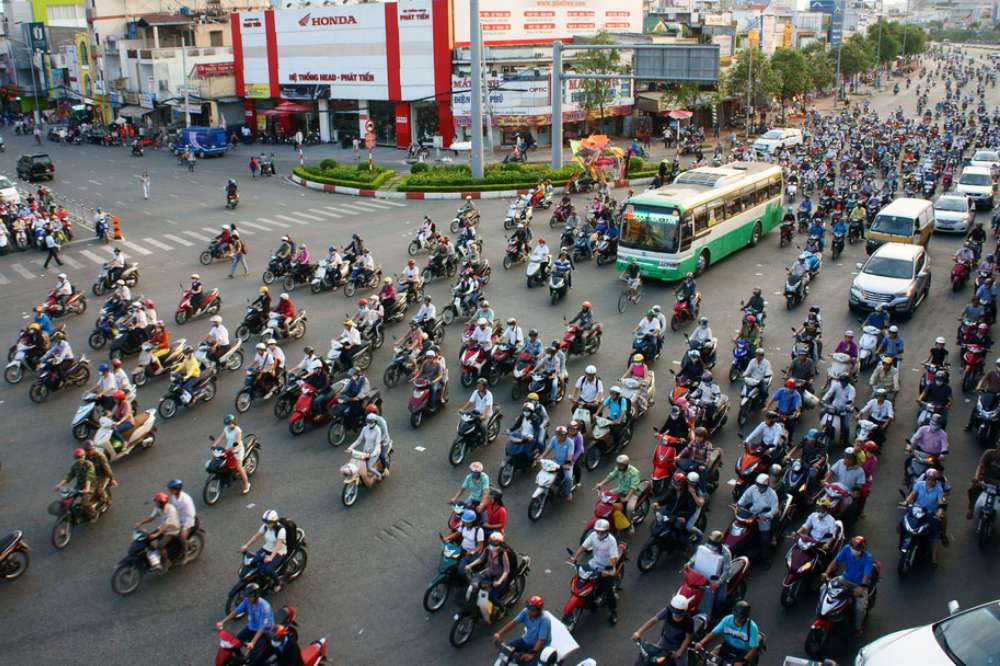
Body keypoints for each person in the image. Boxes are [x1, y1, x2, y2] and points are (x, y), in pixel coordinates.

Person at [821, 536, 875, 637]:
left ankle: (858, 628)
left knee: (859, 608)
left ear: (862, 548)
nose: (854, 550)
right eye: (853, 547)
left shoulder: (868, 557)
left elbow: (866, 576)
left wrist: (861, 588)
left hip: (859, 585)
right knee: (824, 588)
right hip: (844, 579)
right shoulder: (846, 548)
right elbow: (835, 561)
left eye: (857, 548)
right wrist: (826, 573)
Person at [569, 518, 620, 625]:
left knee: (608, 591)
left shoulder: (611, 541)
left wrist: (607, 570)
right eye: (597, 531)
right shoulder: (593, 536)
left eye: (601, 531)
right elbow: (583, 547)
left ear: (606, 531)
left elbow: (613, 559)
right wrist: (575, 557)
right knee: (583, 581)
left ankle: (613, 612)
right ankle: (590, 602)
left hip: (607, 568)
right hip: (595, 563)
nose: (598, 533)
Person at [215, 583, 275, 665]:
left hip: (264, 632)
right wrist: (223, 621)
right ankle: (242, 659)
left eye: (249, 597)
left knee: (254, 656)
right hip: (251, 627)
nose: (247, 598)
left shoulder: (264, 607)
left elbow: (262, 628)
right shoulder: (247, 601)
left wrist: (252, 643)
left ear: (256, 596)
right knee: (234, 643)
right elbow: (236, 611)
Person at [632, 595, 695, 665]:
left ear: (684, 611)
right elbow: (653, 620)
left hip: (679, 645)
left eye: (678, 612)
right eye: (673, 611)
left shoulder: (689, 621)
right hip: (665, 641)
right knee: (652, 658)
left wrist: (680, 651)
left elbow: (688, 638)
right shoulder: (667, 611)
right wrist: (639, 632)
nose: (674, 614)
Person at [904, 468, 949, 562]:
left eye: (933, 480)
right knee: (904, 522)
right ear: (926, 478)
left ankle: (934, 557)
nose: (930, 481)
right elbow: (912, 494)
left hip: (930, 513)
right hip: (917, 510)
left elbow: (941, 502)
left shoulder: (939, 489)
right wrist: (907, 501)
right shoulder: (919, 485)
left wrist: (940, 511)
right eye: (928, 479)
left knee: (934, 532)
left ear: (936, 481)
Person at [695, 600, 761, 665]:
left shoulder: (752, 627)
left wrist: (744, 661)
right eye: (737, 617)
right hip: (727, 647)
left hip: (742, 653)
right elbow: (713, 633)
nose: (739, 620)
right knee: (708, 660)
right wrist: (701, 643)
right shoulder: (727, 620)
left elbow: (754, 648)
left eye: (742, 618)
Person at [492, 595, 552, 662]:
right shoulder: (525, 611)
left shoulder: (544, 620)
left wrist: (532, 654)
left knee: (527, 662)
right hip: (526, 640)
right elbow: (513, 623)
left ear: (539, 610)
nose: (529, 611)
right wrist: (499, 633)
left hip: (539, 647)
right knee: (505, 651)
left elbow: (541, 640)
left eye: (532, 610)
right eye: (528, 608)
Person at [241, 510, 288, 591]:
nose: (266, 523)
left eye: (268, 522)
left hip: (279, 551)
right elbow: (256, 536)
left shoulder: (281, 530)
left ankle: (278, 583)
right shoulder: (266, 526)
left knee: (268, 569)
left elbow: (278, 545)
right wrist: (246, 545)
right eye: (265, 521)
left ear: (274, 522)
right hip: (267, 548)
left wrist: (271, 557)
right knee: (253, 562)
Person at [134, 491, 181, 568]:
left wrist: (157, 534)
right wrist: (141, 523)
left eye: (157, 502)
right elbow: (151, 517)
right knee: (147, 539)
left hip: (172, 531)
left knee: (160, 546)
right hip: (162, 528)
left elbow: (167, 525)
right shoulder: (158, 508)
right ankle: (156, 554)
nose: (156, 503)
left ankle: (166, 561)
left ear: (162, 503)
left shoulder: (171, 510)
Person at [738, 473, 779, 558]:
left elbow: (775, 509)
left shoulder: (772, 494)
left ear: (766, 485)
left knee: (764, 538)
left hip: (763, 516)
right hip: (752, 512)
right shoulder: (753, 488)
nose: (759, 487)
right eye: (758, 485)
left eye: (762, 486)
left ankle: (766, 559)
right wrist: (738, 505)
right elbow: (745, 497)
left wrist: (766, 516)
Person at [464, 531, 512, 603]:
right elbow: (481, 559)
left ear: (499, 545)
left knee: (490, 596)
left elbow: (506, 571)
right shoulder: (488, 549)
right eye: (490, 543)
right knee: (476, 583)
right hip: (490, 572)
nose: (491, 546)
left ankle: (502, 609)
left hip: (499, 578)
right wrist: (470, 565)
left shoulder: (503, 554)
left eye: (493, 545)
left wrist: (499, 581)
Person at [597, 454, 641, 527]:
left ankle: (630, 523)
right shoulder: (618, 469)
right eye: (618, 464)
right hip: (621, 489)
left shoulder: (634, 472)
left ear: (626, 465)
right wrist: (601, 484)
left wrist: (627, 498)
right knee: (606, 498)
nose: (619, 466)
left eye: (621, 465)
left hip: (633, 493)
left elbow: (633, 487)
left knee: (629, 508)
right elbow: (611, 476)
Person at [213, 415, 252, 495]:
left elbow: (237, 442)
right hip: (228, 448)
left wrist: (233, 450)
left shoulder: (238, 430)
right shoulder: (226, 429)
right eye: (227, 424)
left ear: (234, 422)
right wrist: (214, 444)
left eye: (230, 423)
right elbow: (221, 437)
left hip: (237, 449)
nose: (229, 425)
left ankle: (247, 484)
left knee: (239, 467)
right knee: (220, 460)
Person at [349, 413, 385, 487]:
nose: (369, 423)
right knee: (358, 463)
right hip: (365, 451)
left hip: (374, 452)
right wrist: (350, 447)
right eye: (368, 421)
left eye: (371, 421)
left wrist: (373, 453)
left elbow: (378, 444)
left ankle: (379, 476)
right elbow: (359, 440)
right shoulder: (365, 428)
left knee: (368, 466)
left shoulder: (378, 430)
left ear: (375, 422)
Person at [542, 425, 576, 500]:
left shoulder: (570, 442)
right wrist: (541, 456)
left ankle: (568, 493)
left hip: (566, 464)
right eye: (557, 434)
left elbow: (569, 456)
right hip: (556, 461)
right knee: (546, 472)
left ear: (565, 435)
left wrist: (566, 465)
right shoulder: (554, 439)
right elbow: (548, 448)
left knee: (568, 478)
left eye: (560, 435)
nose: (558, 437)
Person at [166, 479, 196, 564]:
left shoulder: (186, 500)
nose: (170, 490)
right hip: (178, 519)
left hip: (188, 522)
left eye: (171, 489)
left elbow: (190, 515)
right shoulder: (174, 497)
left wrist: (184, 528)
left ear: (177, 489)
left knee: (182, 537)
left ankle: (186, 555)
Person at [822, 375, 856, 446]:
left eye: (844, 382)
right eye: (841, 381)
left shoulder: (851, 389)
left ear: (847, 382)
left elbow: (851, 400)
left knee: (846, 426)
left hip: (844, 410)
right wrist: (823, 400)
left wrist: (848, 407)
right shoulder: (836, 385)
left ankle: (846, 441)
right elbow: (829, 393)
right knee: (822, 412)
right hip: (834, 407)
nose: (842, 383)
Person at [968, 446, 1000, 519]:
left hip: (998, 483)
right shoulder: (989, 453)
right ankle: (971, 508)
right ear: (997, 448)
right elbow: (980, 466)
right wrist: (976, 477)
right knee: (974, 488)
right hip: (985, 479)